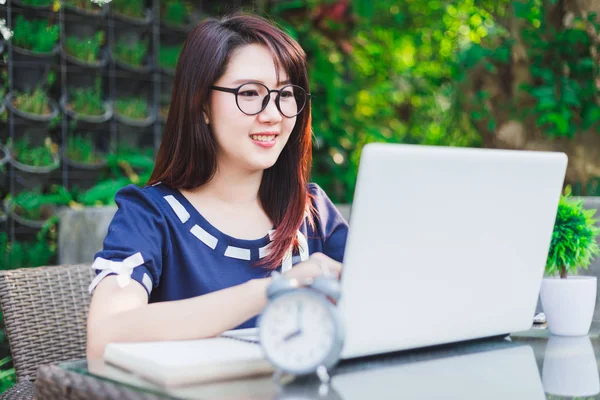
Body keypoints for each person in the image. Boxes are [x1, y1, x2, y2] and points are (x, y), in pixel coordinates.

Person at [86, 12, 348, 360]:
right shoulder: (151, 216)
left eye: (286, 94)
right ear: (202, 105)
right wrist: (276, 289)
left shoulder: (311, 211)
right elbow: (104, 338)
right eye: (250, 92)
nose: (273, 114)